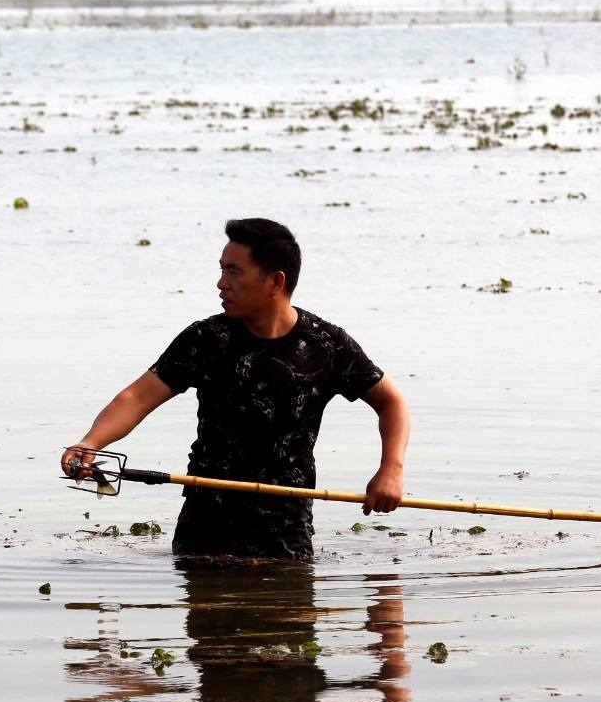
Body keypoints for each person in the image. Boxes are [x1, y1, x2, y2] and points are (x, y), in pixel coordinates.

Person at [61, 218, 411, 561]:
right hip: (205, 528)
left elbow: (390, 401)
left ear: (275, 282)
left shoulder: (326, 344)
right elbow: (136, 397)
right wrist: (91, 442)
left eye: (234, 271)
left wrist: (390, 469)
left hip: (287, 532)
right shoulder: (206, 339)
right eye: (222, 270)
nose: (221, 283)